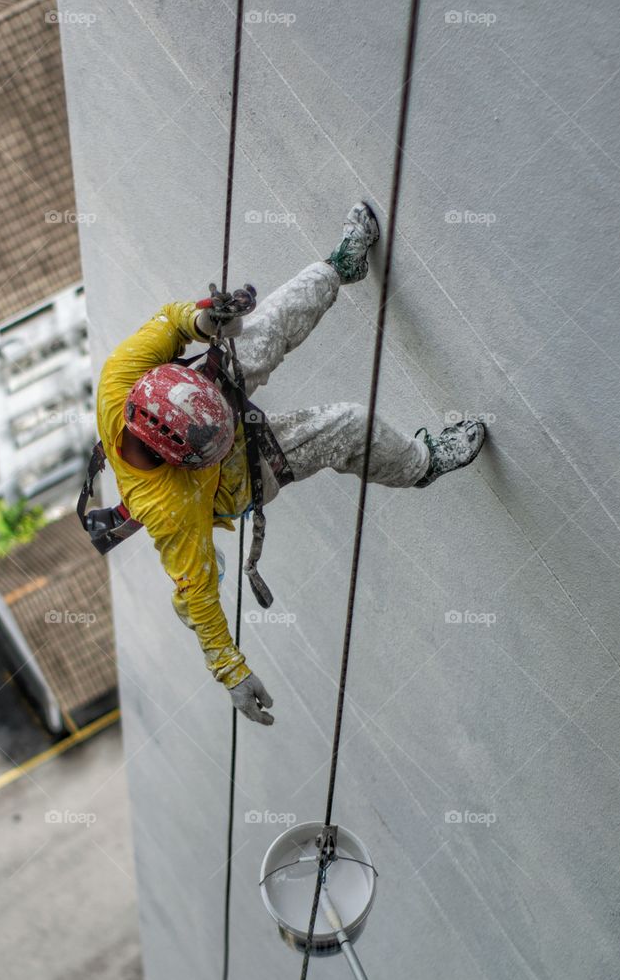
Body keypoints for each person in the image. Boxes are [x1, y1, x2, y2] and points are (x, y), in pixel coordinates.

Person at [93, 203, 486, 726]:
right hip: (232, 476)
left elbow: (170, 321)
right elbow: (201, 593)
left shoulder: (121, 377)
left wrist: (204, 320)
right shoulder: (171, 508)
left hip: (208, 399)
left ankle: (341, 266)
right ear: (177, 459)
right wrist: (231, 672)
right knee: (346, 426)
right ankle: (424, 464)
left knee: (267, 326)